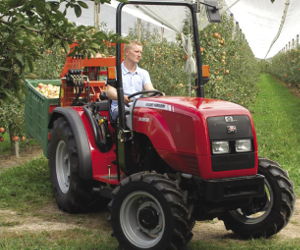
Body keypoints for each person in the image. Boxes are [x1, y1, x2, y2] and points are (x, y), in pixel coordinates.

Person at [106, 41, 155, 120]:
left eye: (140, 52)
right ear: (127, 52)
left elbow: (149, 89)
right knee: (134, 115)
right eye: (136, 52)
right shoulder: (115, 71)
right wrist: (121, 97)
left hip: (138, 108)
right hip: (120, 108)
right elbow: (109, 92)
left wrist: (157, 94)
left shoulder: (144, 73)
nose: (139, 55)